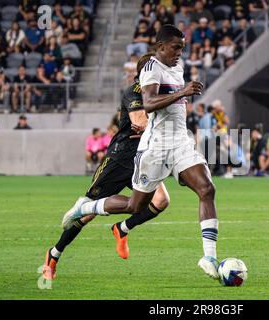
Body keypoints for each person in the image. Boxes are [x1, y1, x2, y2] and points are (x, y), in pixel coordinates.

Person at [62, 25, 220, 280]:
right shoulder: (151, 68)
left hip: (179, 142)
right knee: (136, 206)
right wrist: (183, 92)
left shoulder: (177, 68)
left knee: (207, 189)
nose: (180, 52)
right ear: (160, 47)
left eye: (182, 47)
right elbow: (148, 103)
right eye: (175, 47)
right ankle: (86, 207)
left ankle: (209, 257)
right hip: (155, 147)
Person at [43, 53, 170, 280]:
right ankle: (54, 254)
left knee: (161, 200)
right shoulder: (135, 92)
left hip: (144, 158)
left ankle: (122, 228)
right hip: (120, 159)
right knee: (86, 213)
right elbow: (139, 122)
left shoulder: (160, 93)